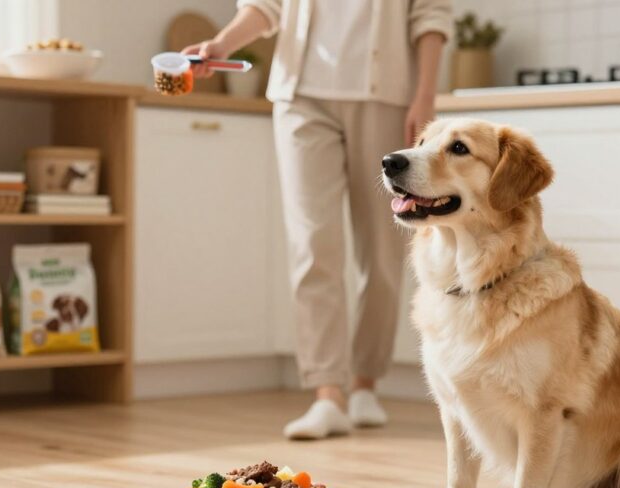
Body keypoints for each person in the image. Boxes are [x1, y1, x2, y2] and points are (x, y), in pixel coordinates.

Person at [184, 0, 452, 440]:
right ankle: (328, 395)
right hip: (300, 98)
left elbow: (431, 15)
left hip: (385, 97)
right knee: (312, 245)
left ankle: (365, 382)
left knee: (383, 251)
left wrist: (424, 95)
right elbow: (265, 7)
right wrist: (220, 44)